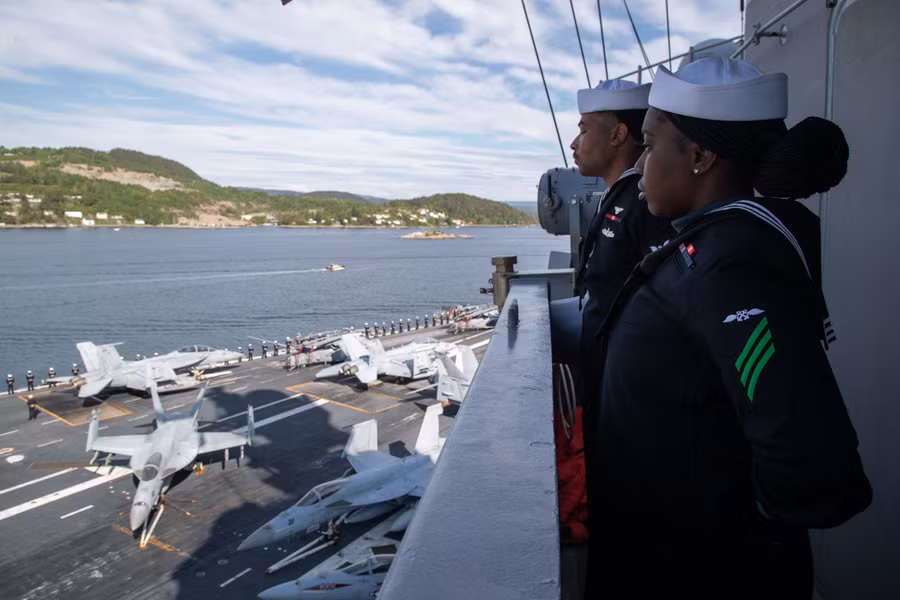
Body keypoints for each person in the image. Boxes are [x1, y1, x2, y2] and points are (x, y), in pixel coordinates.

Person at [585, 58, 872, 598]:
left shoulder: (732, 268)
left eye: (649, 146)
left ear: (699, 154)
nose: (641, 166)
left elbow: (813, 467)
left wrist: (726, 540)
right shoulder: (711, 245)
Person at [556, 79, 673, 596]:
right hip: (606, 388)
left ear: (620, 133)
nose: (575, 142)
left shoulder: (641, 205)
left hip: (630, 400)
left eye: (585, 129)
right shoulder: (620, 197)